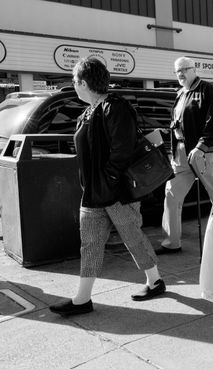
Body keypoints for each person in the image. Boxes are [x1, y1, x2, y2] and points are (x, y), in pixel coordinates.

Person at [50, 57, 166, 316]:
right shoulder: (89, 111)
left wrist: (109, 181)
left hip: (116, 194)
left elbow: (122, 151)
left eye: (74, 81)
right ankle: (82, 299)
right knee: (89, 244)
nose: (73, 86)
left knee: (132, 237)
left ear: (83, 82)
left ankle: (154, 280)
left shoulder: (115, 107)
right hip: (93, 193)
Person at [156, 57, 213, 255]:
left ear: (194, 70)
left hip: (203, 153)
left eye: (184, 69)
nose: (180, 74)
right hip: (181, 152)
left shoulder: (207, 90)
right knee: (171, 195)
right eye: (177, 71)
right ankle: (171, 242)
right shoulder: (180, 93)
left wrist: (202, 146)